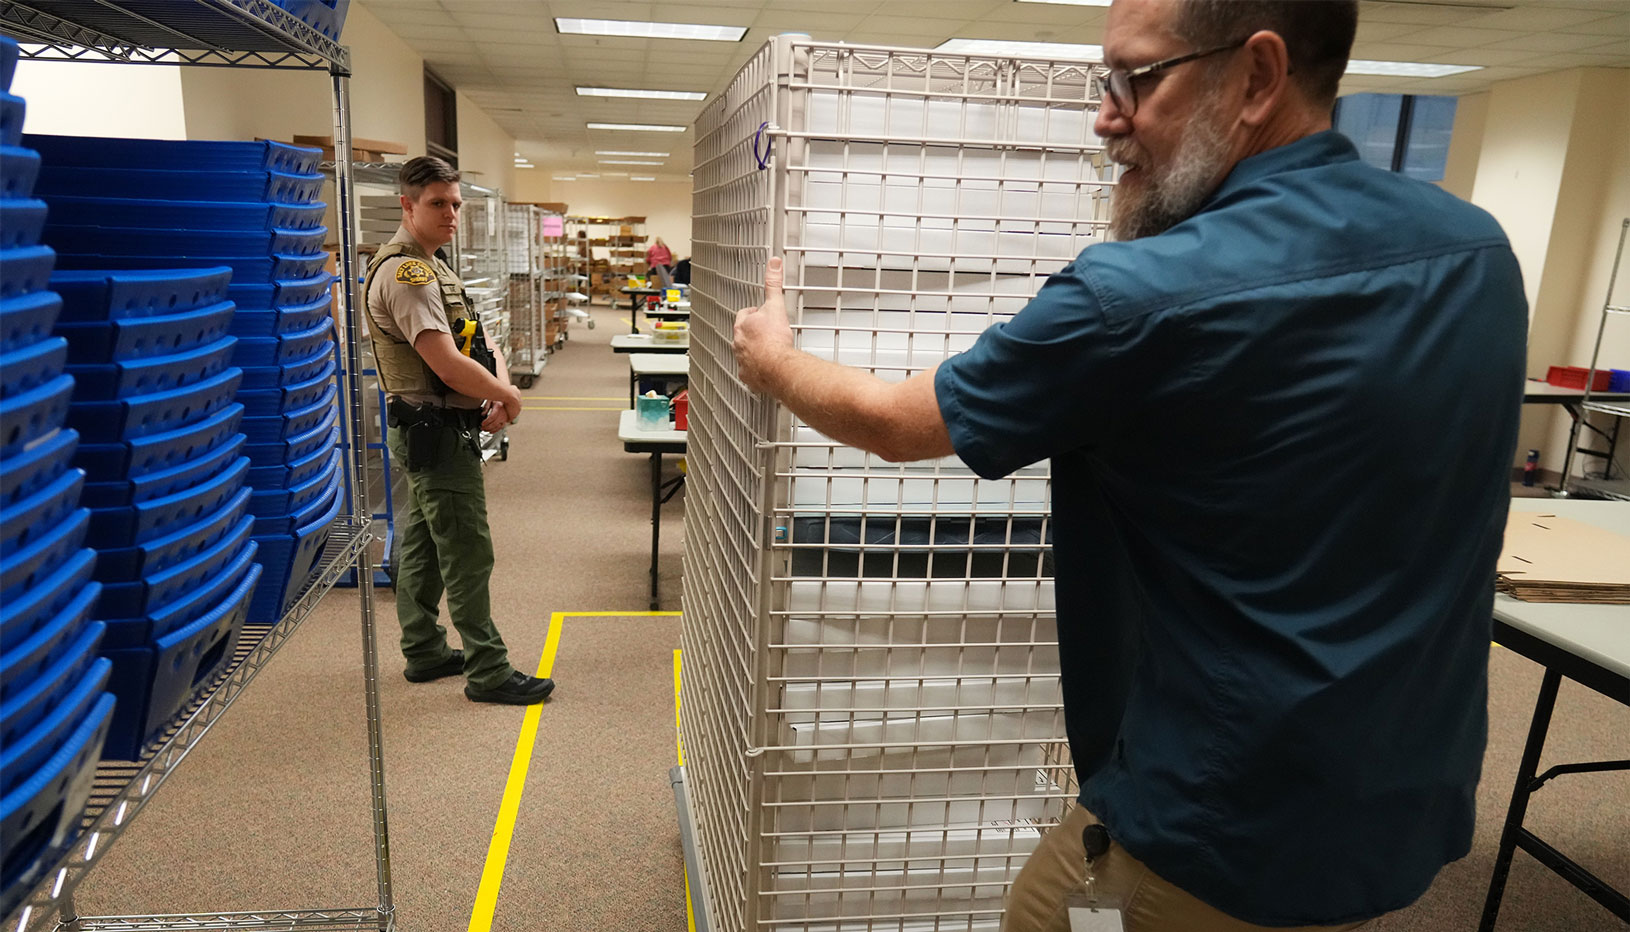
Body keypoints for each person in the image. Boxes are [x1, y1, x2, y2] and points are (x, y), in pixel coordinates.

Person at [731, 1, 1527, 929]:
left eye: (1135, 80)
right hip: (1397, 794)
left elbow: (896, 424)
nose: (1107, 115)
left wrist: (774, 360)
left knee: (1046, 911)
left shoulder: (1141, 298)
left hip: (1218, 817)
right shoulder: (1474, 252)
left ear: (1258, 77)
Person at [364, 155, 555, 706]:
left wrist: (496, 386)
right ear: (407, 204)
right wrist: (508, 395)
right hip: (435, 430)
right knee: (468, 550)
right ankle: (489, 672)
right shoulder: (408, 275)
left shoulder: (433, 264)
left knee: (423, 542)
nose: (450, 213)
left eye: (454, 203)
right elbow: (446, 363)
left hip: (443, 424)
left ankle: (423, 651)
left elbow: (478, 336)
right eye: (437, 204)